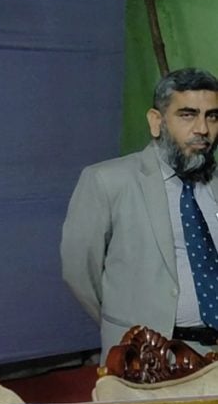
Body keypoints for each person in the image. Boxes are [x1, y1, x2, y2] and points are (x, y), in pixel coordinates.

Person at [61, 67, 218, 358]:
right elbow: (79, 271)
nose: (202, 129)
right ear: (156, 121)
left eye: (212, 116)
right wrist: (122, 324)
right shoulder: (107, 181)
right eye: (187, 115)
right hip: (145, 355)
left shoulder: (214, 184)